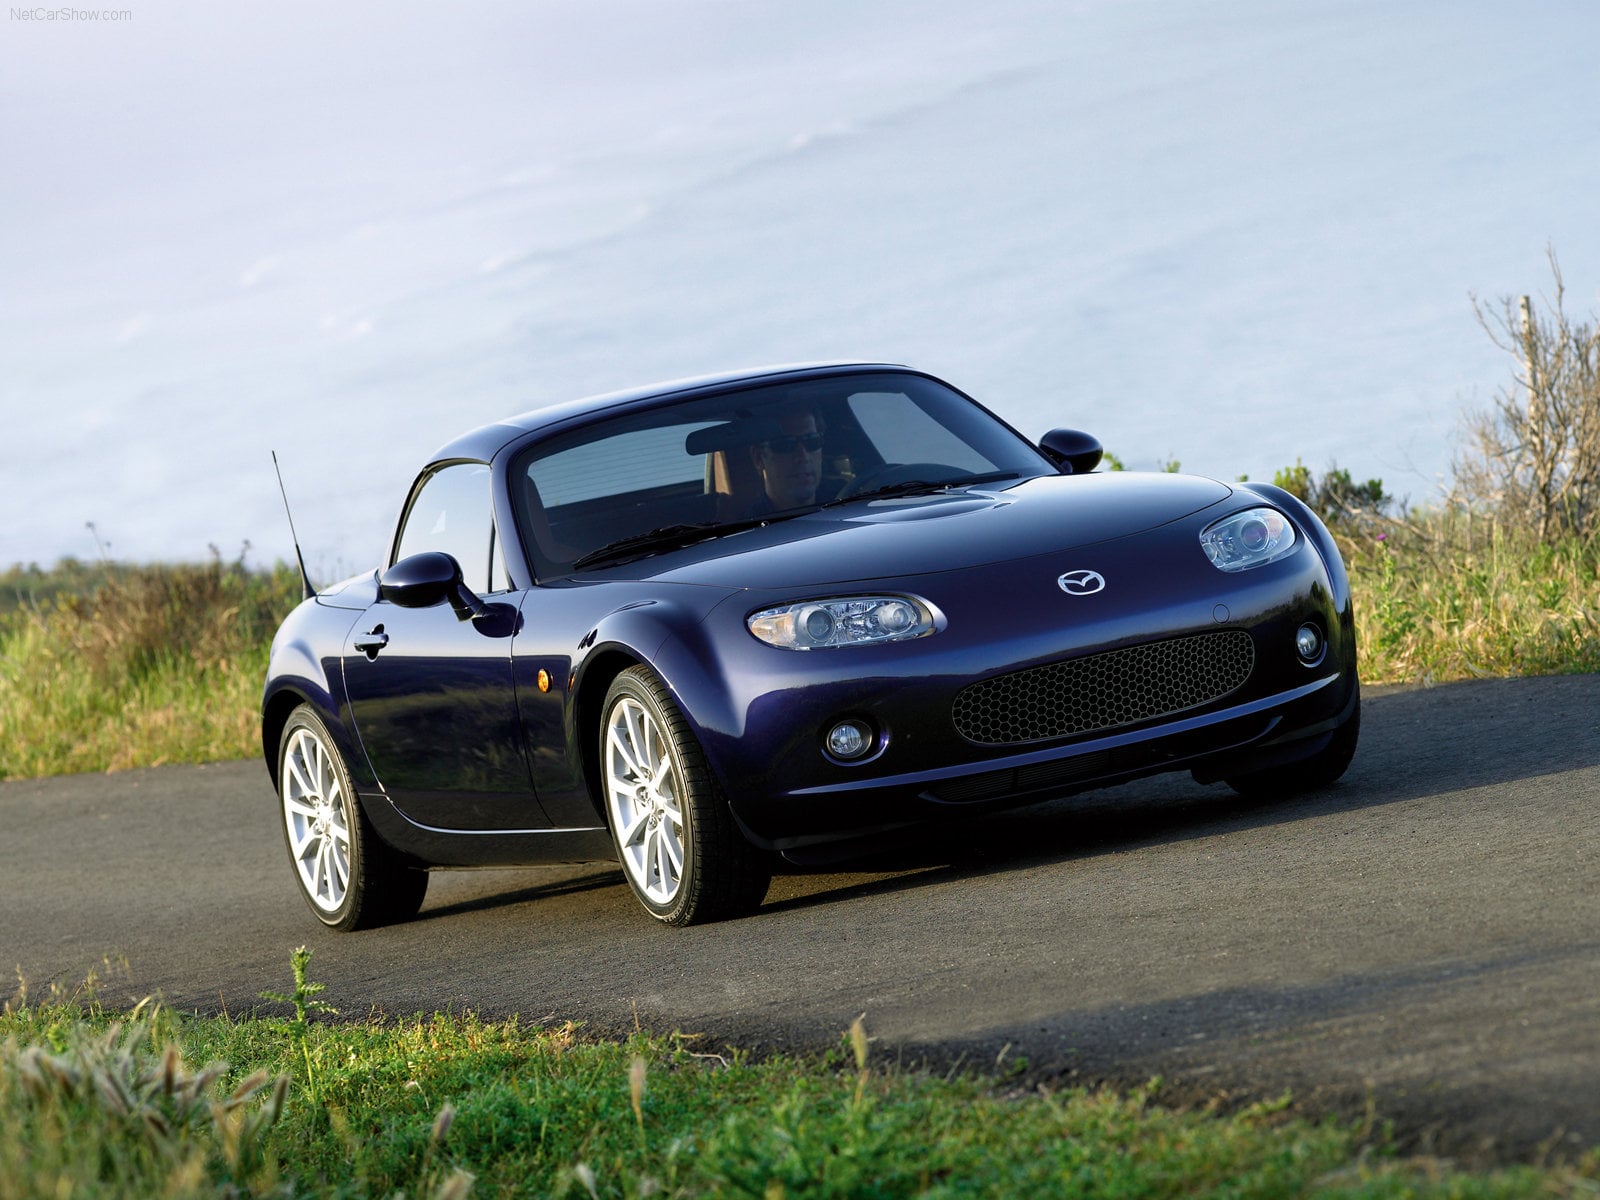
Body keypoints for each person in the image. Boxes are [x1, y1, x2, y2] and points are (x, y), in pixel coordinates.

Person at [750, 408, 825, 511]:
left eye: (812, 441)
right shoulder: (748, 525)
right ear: (758, 458)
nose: (803, 457)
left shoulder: (847, 498)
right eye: (785, 444)